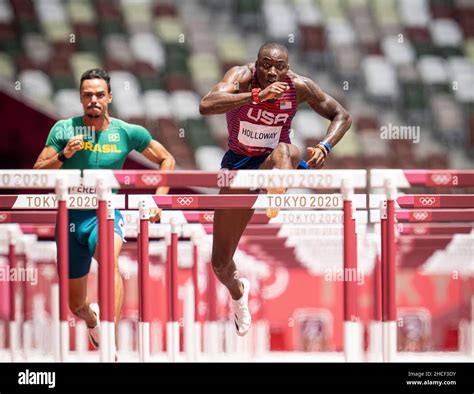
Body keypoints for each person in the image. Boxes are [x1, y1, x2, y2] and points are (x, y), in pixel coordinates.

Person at [199, 42, 352, 336]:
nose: (271, 72)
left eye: (278, 66)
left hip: (274, 161)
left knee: (286, 150)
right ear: (256, 64)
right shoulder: (242, 76)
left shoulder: (299, 86)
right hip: (238, 169)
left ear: (287, 68)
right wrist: (255, 96)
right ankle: (238, 292)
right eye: (265, 65)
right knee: (219, 264)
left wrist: (325, 146)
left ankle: (276, 193)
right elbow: (206, 105)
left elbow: (342, 115)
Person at [33, 68, 176, 350]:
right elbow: (38, 172)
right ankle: (92, 319)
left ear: (109, 96)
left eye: (99, 94)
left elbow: (167, 159)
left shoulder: (126, 132)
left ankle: (110, 341)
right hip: (70, 218)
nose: (93, 100)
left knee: (109, 262)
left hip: (105, 214)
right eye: (88, 95)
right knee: (75, 304)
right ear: (80, 98)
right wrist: (64, 155)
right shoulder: (63, 129)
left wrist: (158, 199)